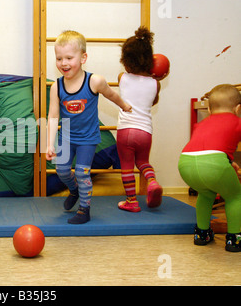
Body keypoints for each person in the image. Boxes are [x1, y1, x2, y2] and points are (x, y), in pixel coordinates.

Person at [46, 30, 132, 224]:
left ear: (83, 57)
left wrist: (124, 105)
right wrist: (50, 143)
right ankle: (75, 190)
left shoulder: (94, 81)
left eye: (69, 57)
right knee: (61, 170)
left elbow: (111, 95)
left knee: (82, 172)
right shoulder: (57, 86)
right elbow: (53, 115)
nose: (63, 63)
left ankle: (84, 209)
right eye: (59, 58)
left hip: (87, 138)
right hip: (66, 137)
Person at [178, 84, 241, 252]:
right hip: (214, 165)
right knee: (235, 196)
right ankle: (235, 239)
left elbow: (206, 148)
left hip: (186, 163)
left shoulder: (202, 123)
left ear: (210, 110)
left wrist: (227, 162)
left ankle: (202, 234)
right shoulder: (236, 121)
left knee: (206, 194)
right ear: (238, 108)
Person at [116, 26, 165, 212]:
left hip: (126, 130)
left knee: (127, 166)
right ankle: (152, 181)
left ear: (126, 61)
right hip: (145, 131)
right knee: (143, 162)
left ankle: (131, 201)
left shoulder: (123, 77)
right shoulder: (155, 83)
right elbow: (153, 101)